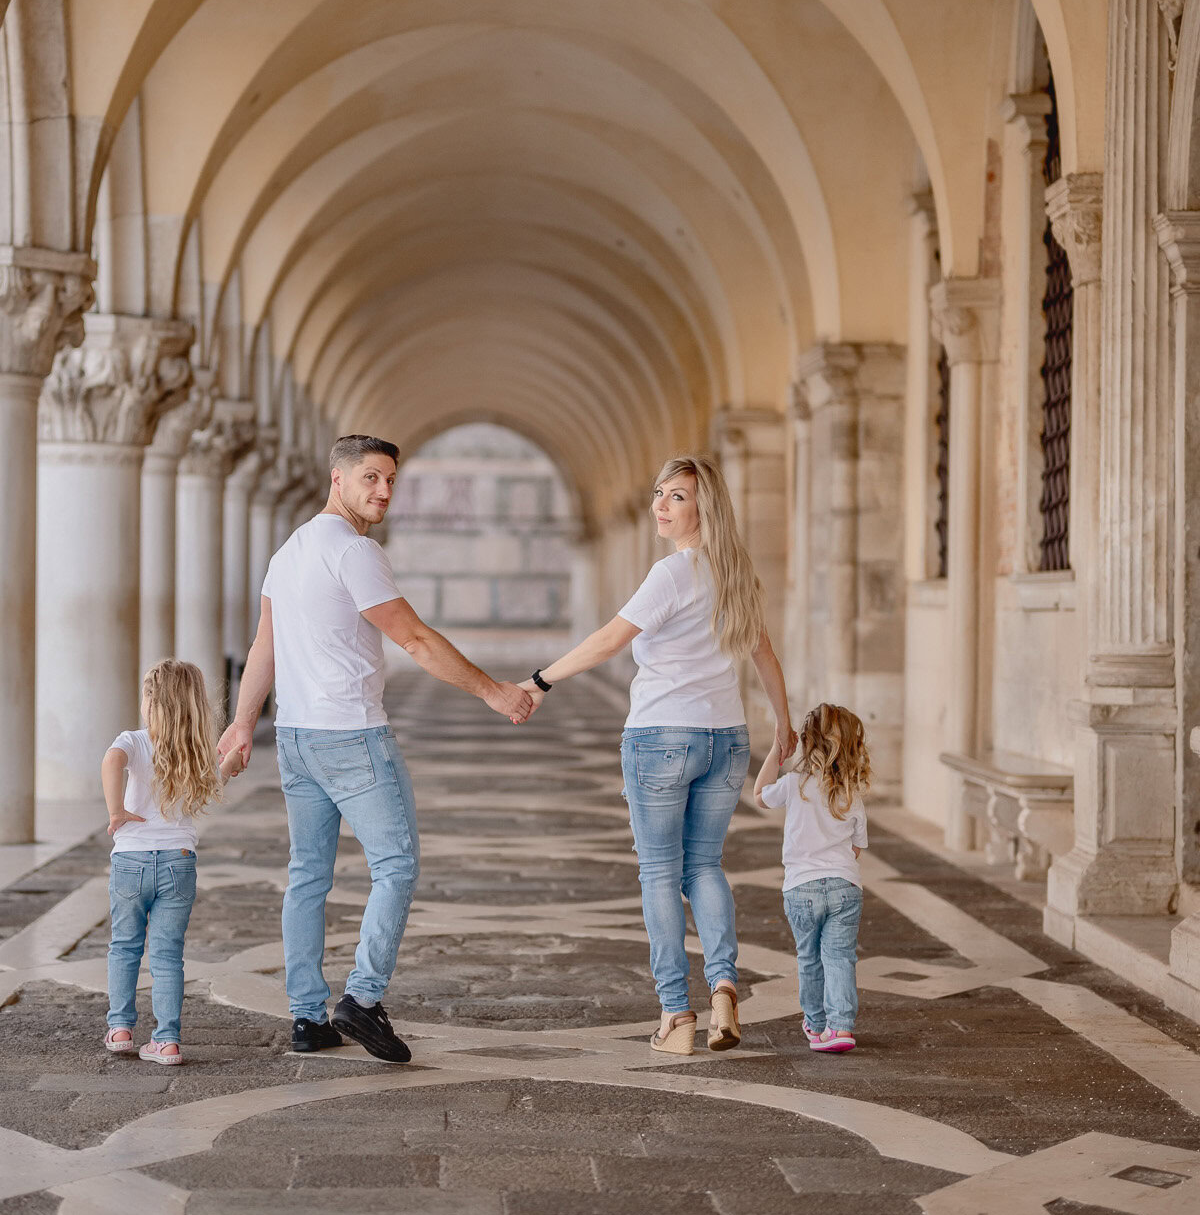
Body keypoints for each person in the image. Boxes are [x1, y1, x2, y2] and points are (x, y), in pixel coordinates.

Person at [220, 434, 535, 1065]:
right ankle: (361, 999)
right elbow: (414, 639)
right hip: (351, 736)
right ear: (337, 479)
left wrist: (243, 722)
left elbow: (264, 649)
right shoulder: (355, 551)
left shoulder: (288, 552)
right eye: (370, 478)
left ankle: (307, 1018)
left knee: (308, 876)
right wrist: (495, 692)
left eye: (390, 480)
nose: (383, 491)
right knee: (397, 864)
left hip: (297, 738)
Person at [517, 454, 794, 1055]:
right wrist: (784, 725)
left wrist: (539, 682)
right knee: (706, 867)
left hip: (662, 737)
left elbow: (610, 640)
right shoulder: (737, 574)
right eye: (659, 494)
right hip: (727, 739)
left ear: (704, 508)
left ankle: (676, 1014)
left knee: (660, 874)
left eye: (676, 496)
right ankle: (723, 987)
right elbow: (764, 654)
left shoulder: (672, 574)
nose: (660, 506)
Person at [101, 658, 234, 1065]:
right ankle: (167, 1040)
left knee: (124, 947)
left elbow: (111, 761)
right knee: (167, 955)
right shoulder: (194, 751)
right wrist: (231, 764)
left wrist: (116, 812)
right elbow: (214, 781)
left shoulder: (134, 740)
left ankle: (121, 1028)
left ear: (149, 702)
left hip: (131, 861)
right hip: (178, 862)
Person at [753, 703, 871, 1054]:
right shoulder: (851, 793)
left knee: (809, 957)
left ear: (806, 743)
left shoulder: (793, 784)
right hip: (845, 887)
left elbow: (759, 795)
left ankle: (816, 1025)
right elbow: (856, 848)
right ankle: (841, 1027)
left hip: (801, 887)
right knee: (840, 957)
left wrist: (777, 749)